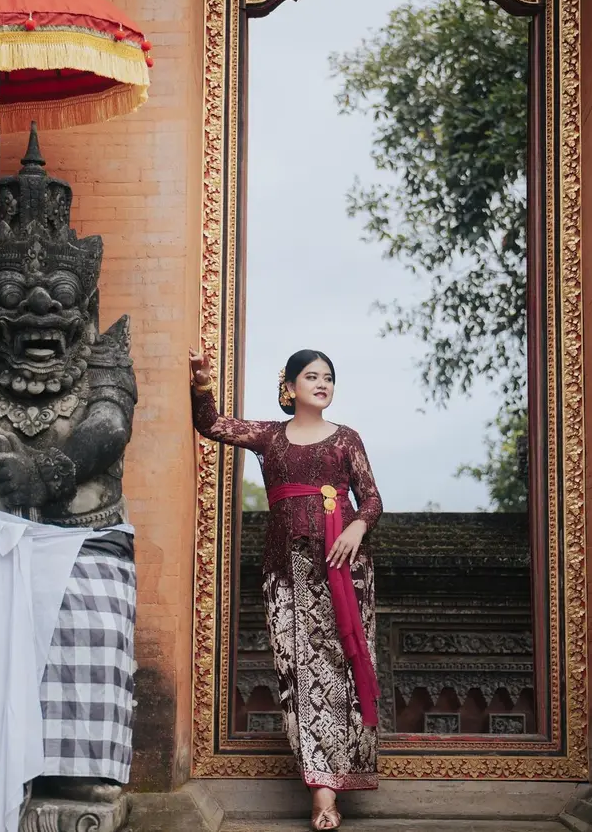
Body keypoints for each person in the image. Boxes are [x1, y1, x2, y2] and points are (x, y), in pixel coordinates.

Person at [189, 347, 383, 831]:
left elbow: (373, 498)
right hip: (285, 572)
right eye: (312, 376)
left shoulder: (347, 440)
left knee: (341, 671)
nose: (322, 384)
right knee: (298, 675)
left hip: (344, 572)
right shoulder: (270, 437)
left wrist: (357, 527)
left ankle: (332, 788)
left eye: (329, 378)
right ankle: (318, 784)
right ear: (290, 386)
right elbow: (211, 424)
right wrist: (201, 382)